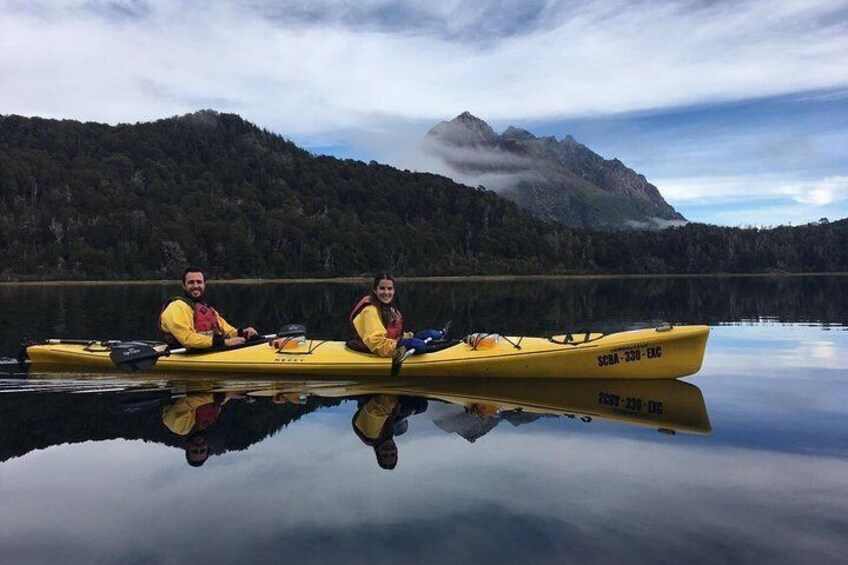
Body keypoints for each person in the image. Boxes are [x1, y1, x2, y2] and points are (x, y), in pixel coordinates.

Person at [159, 267, 258, 349]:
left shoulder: (207, 309)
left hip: (208, 351)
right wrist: (225, 342)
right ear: (183, 286)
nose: (196, 286)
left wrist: (243, 333)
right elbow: (187, 339)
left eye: (199, 282)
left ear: (204, 284)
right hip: (184, 354)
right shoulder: (176, 307)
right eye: (191, 282)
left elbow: (228, 331)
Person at [349, 272, 442, 357]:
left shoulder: (391, 310)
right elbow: (378, 345)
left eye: (390, 289)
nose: (386, 293)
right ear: (374, 290)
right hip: (372, 351)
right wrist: (401, 345)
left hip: (388, 347)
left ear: (394, 290)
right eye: (382, 288)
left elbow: (395, 336)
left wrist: (414, 337)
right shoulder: (370, 311)